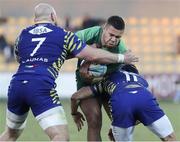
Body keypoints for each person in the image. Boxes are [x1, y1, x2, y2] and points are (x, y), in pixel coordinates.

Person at [0, 3, 138, 142]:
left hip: (16, 85)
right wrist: (122, 58)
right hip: (41, 85)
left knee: (10, 134)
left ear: (35, 19)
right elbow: (92, 55)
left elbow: (19, 58)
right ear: (53, 16)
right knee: (60, 136)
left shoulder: (22, 35)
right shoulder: (63, 35)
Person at [71, 64, 176, 141]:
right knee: (170, 138)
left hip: (121, 100)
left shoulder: (106, 80)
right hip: (145, 96)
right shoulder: (142, 80)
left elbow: (75, 97)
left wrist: (74, 113)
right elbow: (140, 108)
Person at [75, 15, 129, 140]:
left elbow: (128, 63)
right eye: (111, 35)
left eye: (118, 37)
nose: (114, 39)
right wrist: (88, 54)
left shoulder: (121, 47)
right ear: (104, 28)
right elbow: (68, 43)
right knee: (94, 119)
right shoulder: (90, 34)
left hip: (109, 83)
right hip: (86, 84)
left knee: (120, 124)